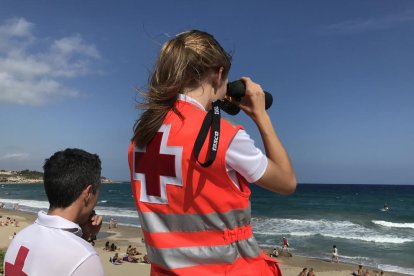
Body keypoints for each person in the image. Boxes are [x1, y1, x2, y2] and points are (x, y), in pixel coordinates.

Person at [128, 30, 296, 275]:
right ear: (218, 74)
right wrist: (261, 116)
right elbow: (286, 182)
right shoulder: (227, 138)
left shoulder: (140, 140)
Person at [4, 148, 104, 276]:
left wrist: (85, 236)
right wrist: (86, 244)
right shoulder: (84, 258)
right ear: (88, 193)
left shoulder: (20, 237)